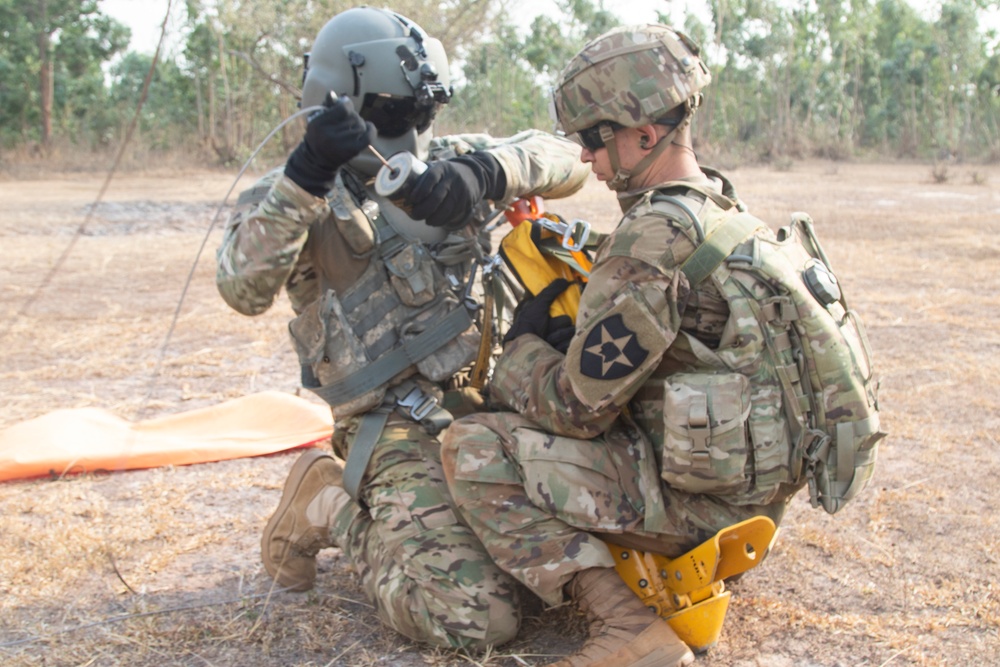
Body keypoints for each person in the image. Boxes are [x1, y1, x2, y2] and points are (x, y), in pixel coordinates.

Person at [439, 24, 840, 667]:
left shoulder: (650, 238)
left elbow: (576, 409)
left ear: (642, 135)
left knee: (474, 446)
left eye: (593, 144)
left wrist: (521, 354)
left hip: (700, 510)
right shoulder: (720, 207)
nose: (589, 162)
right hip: (755, 504)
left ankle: (625, 627)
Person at [214, 7, 589, 652]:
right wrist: (308, 173)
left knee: (591, 543)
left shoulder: (448, 163)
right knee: (474, 616)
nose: (410, 129)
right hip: (393, 424)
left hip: (496, 404)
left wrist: (486, 174)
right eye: (393, 112)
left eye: (422, 111)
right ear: (339, 99)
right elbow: (242, 288)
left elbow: (569, 157)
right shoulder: (294, 195)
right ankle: (325, 503)